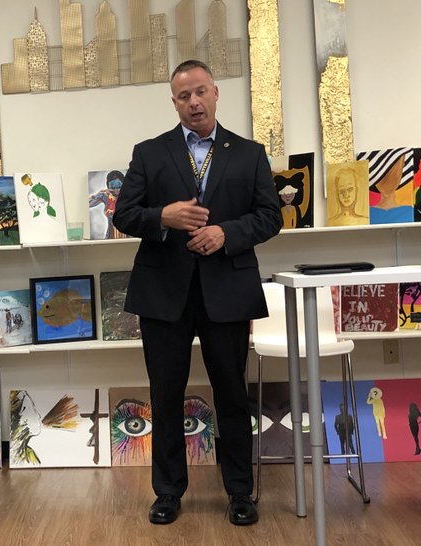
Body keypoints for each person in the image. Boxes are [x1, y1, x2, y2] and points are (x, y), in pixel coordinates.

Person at [113, 60, 281, 526]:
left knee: (231, 394)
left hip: (227, 290)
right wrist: (162, 218)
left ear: (215, 93)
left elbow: (271, 216)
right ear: (174, 102)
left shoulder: (249, 153)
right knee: (165, 396)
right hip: (163, 293)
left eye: (200, 92)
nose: (194, 102)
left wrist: (227, 233)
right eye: (184, 96)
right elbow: (124, 215)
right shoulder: (149, 152)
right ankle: (167, 492)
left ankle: (240, 492)